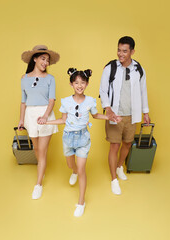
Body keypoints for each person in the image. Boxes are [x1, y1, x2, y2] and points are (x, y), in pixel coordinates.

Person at [39, 68, 121, 217]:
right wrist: (47, 121)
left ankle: (81, 202)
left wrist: (110, 117)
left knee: (82, 169)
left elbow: (96, 115)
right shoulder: (65, 101)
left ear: (87, 84)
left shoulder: (90, 101)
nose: (79, 85)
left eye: (82, 82)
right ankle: (74, 171)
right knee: (71, 165)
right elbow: (63, 120)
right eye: (76, 82)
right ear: (71, 84)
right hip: (68, 138)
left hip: (83, 139)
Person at [99, 36, 151, 195]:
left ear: (132, 52)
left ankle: (119, 166)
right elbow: (103, 90)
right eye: (119, 50)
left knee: (127, 144)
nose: (120, 54)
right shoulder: (110, 68)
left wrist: (145, 112)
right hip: (115, 115)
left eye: (124, 51)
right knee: (114, 146)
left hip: (132, 115)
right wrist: (108, 110)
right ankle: (114, 179)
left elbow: (143, 91)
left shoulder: (139, 69)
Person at [18, 44, 60, 200]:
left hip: (45, 115)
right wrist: (21, 120)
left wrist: (45, 116)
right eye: (43, 59)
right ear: (34, 59)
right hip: (30, 114)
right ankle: (41, 172)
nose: (45, 63)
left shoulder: (50, 79)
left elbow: (52, 100)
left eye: (47, 60)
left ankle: (38, 184)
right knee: (37, 149)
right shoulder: (24, 78)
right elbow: (23, 101)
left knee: (42, 151)